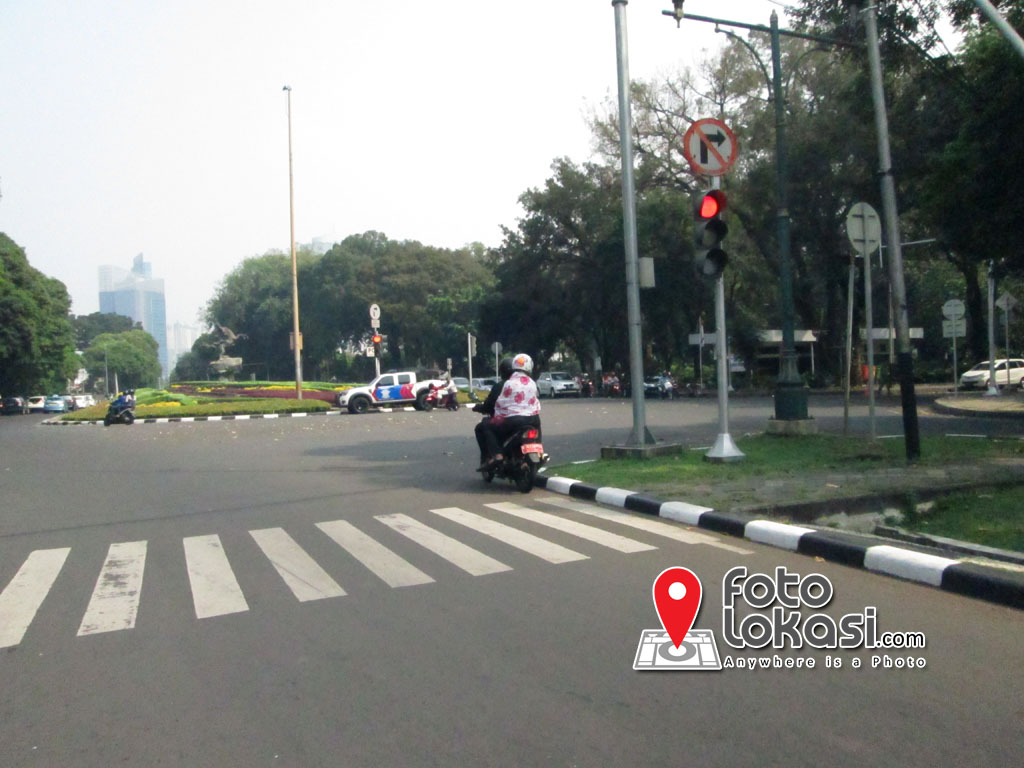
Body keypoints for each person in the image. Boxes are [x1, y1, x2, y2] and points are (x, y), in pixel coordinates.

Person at [476, 353, 541, 471]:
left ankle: (498, 455)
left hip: (513, 421)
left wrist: (498, 416)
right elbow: (535, 400)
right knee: (537, 424)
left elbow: (501, 403)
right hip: (532, 419)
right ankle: (539, 448)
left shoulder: (509, 383)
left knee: (486, 426)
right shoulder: (532, 383)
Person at [473, 357, 515, 464]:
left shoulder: (501, 386)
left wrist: (479, 408)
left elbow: (490, 404)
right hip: (528, 419)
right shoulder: (526, 383)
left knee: (483, 426)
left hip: (506, 421)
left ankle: (495, 454)